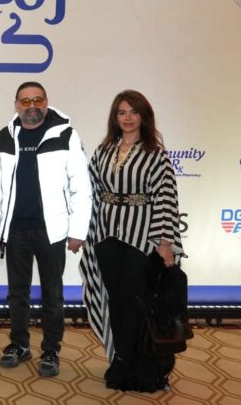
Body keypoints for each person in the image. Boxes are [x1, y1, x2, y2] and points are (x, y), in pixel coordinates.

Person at [80, 90, 186, 392]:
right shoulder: (103, 151)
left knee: (140, 303)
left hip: (141, 239)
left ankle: (147, 367)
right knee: (117, 302)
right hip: (106, 237)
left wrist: (164, 242)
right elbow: (90, 192)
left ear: (144, 116)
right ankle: (123, 359)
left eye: (133, 112)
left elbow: (166, 199)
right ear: (115, 117)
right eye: (122, 112)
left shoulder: (155, 154)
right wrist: (84, 232)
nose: (127, 118)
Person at [0, 81, 92, 376]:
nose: (32, 106)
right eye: (25, 101)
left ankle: (51, 350)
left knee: (53, 295)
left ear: (46, 102)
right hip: (15, 231)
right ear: (16, 105)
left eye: (37, 100)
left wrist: (78, 230)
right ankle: (19, 345)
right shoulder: (4, 137)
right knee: (17, 294)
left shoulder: (66, 134)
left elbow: (81, 185)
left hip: (52, 231)